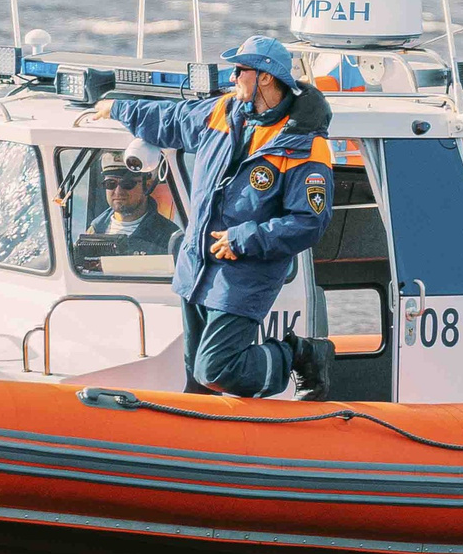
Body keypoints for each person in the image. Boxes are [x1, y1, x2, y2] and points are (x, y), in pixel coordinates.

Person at [97, 36, 334, 398]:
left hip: (243, 273)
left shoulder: (306, 146)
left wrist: (243, 239)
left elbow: (309, 222)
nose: (233, 76)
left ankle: (300, 354)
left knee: (216, 368)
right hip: (196, 266)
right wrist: (117, 109)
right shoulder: (223, 112)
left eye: (240, 70)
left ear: (265, 77)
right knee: (196, 379)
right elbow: (170, 120)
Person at [78, 153, 180, 257]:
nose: (118, 191)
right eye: (110, 183)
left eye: (127, 184)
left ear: (148, 186)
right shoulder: (93, 232)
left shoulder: (170, 238)